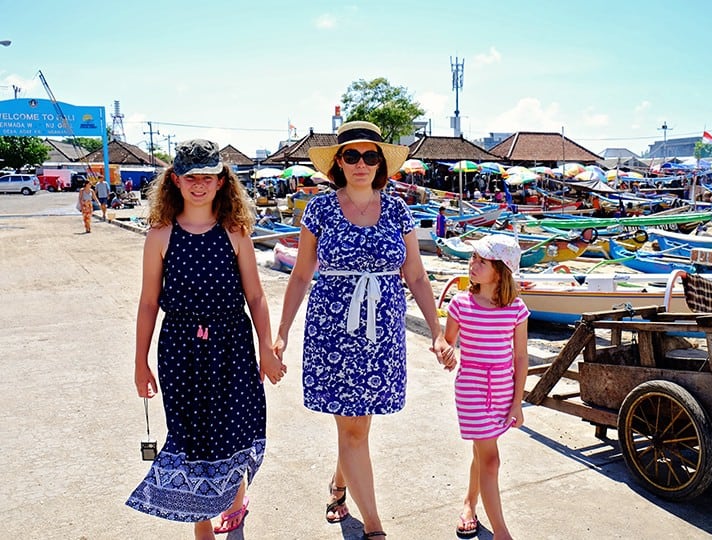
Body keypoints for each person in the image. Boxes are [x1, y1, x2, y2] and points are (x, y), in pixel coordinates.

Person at [272, 121, 453, 540]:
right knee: (353, 427)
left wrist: (437, 333)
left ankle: (339, 487)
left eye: (370, 156)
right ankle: (374, 528)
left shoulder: (396, 209)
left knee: (358, 426)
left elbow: (417, 275)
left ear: (380, 163)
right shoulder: (319, 209)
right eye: (351, 155)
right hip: (332, 332)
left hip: (382, 333)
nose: (361, 163)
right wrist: (281, 332)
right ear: (338, 162)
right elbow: (300, 276)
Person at [126, 139, 286, 540]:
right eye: (191, 176)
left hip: (232, 345)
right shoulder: (160, 235)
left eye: (208, 176)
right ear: (175, 180)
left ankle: (234, 497)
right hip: (180, 348)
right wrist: (140, 362)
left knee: (235, 425)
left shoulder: (235, 231)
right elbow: (148, 302)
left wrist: (267, 349)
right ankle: (201, 524)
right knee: (191, 435)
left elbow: (256, 296)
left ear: (221, 182)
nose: (199, 184)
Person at [442, 235, 529, 540]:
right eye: (473, 258)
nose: (473, 264)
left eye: (482, 261)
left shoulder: (516, 309)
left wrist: (517, 402)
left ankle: (469, 503)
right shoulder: (460, 304)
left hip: (503, 390)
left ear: (501, 270)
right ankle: (502, 534)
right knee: (490, 458)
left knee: (483, 451)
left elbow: (520, 357)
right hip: (471, 389)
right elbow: (447, 342)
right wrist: (446, 352)